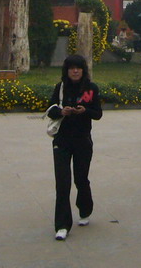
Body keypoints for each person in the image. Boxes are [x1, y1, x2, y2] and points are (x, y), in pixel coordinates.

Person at [46, 53, 102, 241]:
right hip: (61, 141)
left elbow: (98, 113)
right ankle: (62, 225)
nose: (75, 71)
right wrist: (62, 111)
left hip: (82, 141)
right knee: (62, 183)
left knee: (81, 179)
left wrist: (85, 111)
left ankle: (85, 209)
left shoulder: (91, 89)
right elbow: (50, 109)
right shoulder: (60, 88)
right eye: (71, 68)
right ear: (67, 70)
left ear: (83, 70)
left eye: (78, 68)